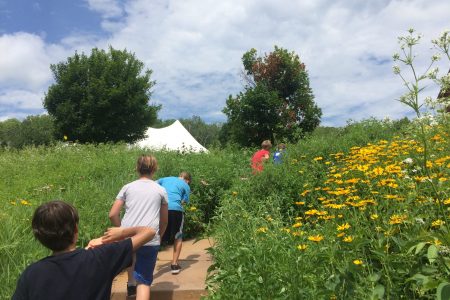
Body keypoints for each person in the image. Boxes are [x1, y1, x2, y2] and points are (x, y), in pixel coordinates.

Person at [12, 200, 156, 300]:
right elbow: (148, 232)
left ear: (39, 236)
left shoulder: (31, 274)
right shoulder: (100, 258)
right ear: (76, 229)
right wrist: (122, 233)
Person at [109, 155, 168, 299]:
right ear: (154, 168)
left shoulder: (127, 187)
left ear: (137, 168)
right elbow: (164, 220)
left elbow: (113, 214)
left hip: (129, 237)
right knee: (144, 282)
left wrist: (122, 231)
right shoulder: (160, 190)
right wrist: (159, 236)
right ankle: (136, 285)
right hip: (150, 237)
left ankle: (130, 285)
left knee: (131, 258)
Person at [156, 171, 191, 274]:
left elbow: (153, 184)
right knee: (178, 235)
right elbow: (184, 201)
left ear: (179, 176)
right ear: (187, 180)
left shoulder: (165, 178)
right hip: (176, 210)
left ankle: (151, 260)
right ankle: (174, 264)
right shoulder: (186, 185)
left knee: (158, 235)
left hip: (161, 208)